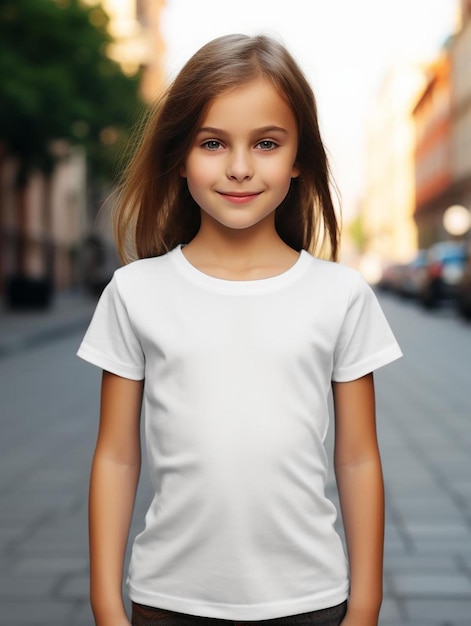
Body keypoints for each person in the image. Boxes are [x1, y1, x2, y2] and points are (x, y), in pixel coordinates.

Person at [77, 33, 402, 626]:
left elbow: (357, 458)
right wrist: (105, 604)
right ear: (180, 156)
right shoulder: (135, 292)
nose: (240, 167)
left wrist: (367, 603)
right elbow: (117, 456)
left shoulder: (341, 295)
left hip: (311, 601)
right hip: (168, 600)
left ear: (299, 156)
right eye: (213, 143)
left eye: (267, 143)